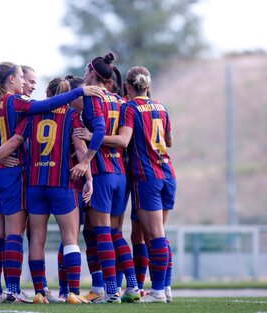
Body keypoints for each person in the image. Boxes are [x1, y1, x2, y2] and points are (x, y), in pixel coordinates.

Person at [0, 62, 103, 303]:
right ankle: (42, 291)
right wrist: (80, 91)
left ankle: (4, 290)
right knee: (24, 235)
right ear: (10, 80)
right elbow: (79, 147)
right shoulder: (30, 106)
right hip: (34, 178)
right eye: (22, 77)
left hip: (12, 179)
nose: (26, 83)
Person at [97, 66, 176, 303]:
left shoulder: (130, 107)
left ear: (129, 87)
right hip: (168, 174)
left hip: (147, 177)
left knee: (153, 236)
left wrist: (92, 136)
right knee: (156, 234)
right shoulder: (161, 107)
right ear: (148, 86)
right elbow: (169, 141)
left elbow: (123, 140)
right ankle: (165, 287)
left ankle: (158, 292)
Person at [74, 52, 139, 304]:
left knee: (101, 233)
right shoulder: (120, 100)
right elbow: (123, 139)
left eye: (85, 70)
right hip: (120, 173)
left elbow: (99, 130)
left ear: (92, 72)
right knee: (115, 233)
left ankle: (111, 291)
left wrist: (87, 158)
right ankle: (132, 287)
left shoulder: (93, 97)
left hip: (101, 172)